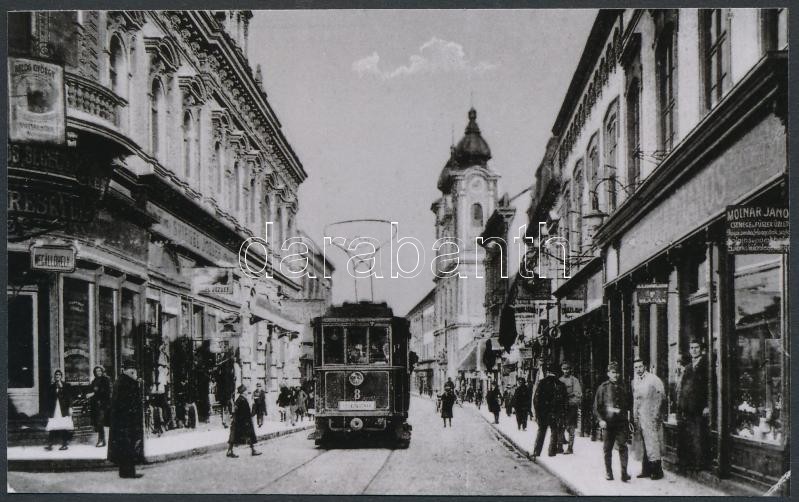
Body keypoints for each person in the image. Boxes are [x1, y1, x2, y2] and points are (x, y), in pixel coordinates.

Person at [594, 362, 631, 482]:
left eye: (617, 372)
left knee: (623, 447)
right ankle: (609, 473)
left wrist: (628, 419)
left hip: (621, 423)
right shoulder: (603, 388)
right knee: (607, 449)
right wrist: (600, 420)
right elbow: (596, 407)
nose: (616, 375)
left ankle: (624, 473)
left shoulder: (623, 387)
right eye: (613, 372)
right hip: (608, 423)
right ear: (608, 373)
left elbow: (628, 405)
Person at [108, 360, 145, 479]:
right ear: (130, 371)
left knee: (123, 447)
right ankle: (130, 473)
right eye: (133, 370)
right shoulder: (129, 383)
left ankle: (124, 472)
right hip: (128, 421)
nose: (134, 373)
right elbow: (131, 403)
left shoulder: (120, 381)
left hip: (120, 421)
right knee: (129, 446)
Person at [678, 339, 710, 472]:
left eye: (696, 347)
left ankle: (700, 464)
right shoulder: (688, 367)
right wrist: (682, 406)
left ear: (701, 350)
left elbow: (710, 387)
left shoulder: (706, 365)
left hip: (700, 407)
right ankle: (690, 463)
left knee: (699, 435)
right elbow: (683, 388)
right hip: (688, 408)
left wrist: (708, 405)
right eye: (691, 348)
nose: (694, 350)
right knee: (689, 436)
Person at [632, 358, 666, 480]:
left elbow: (662, 395)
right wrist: (635, 415)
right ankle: (646, 470)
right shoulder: (636, 381)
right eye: (636, 367)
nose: (638, 369)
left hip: (651, 416)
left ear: (645, 366)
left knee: (653, 443)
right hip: (640, 417)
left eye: (640, 366)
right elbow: (636, 400)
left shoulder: (653, 379)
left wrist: (656, 412)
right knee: (643, 444)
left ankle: (657, 471)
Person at [532, 364, 565, 458]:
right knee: (554, 431)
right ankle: (552, 452)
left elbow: (536, 399)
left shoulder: (542, 383)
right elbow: (564, 401)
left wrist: (537, 413)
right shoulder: (560, 384)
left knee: (541, 431)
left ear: (548, 372)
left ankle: (536, 452)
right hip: (555, 412)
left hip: (543, 412)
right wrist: (561, 413)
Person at [226, 385, 262, 457]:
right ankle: (252, 450)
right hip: (243, 422)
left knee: (240, 436)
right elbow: (243, 412)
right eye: (245, 390)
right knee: (239, 436)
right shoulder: (242, 400)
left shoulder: (240, 399)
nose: (247, 392)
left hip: (241, 421)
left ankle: (252, 450)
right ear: (243, 392)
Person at [44, 369, 73, 451]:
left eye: (59, 375)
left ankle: (64, 444)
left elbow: (69, 397)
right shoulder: (52, 386)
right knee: (52, 425)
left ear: (61, 376)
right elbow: (48, 399)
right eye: (56, 375)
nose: (57, 376)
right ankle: (50, 445)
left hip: (63, 409)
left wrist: (70, 407)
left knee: (63, 426)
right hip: (54, 409)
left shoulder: (66, 385)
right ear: (54, 376)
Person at [559, 361, 582, 455]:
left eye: (567, 369)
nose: (565, 371)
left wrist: (570, 399)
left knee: (571, 428)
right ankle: (560, 446)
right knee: (561, 427)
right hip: (562, 407)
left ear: (570, 370)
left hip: (571, 407)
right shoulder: (560, 380)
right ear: (561, 370)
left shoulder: (574, 380)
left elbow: (578, 394)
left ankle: (570, 448)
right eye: (564, 369)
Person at [87, 366, 112, 447]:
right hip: (96, 405)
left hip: (104, 405)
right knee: (98, 423)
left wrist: (93, 393)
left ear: (102, 371)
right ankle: (102, 440)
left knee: (100, 422)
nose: (98, 372)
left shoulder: (106, 380)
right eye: (97, 371)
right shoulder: (94, 381)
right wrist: (88, 393)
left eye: (100, 371)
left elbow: (105, 391)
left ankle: (101, 440)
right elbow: (91, 389)